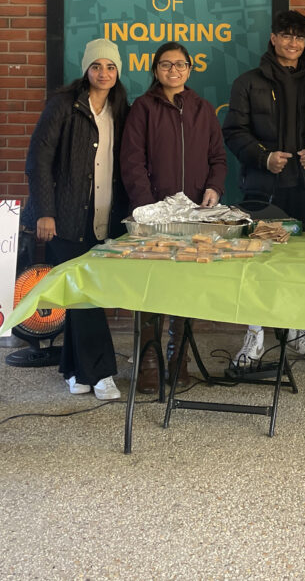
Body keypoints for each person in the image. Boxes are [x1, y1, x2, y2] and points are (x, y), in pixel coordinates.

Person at [23, 39, 128, 400]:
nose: (104, 73)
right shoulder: (64, 106)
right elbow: (38, 161)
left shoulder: (119, 108)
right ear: (86, 70)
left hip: (103, 218)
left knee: (85, 293)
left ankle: (73, 368)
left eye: (111, 67)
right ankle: (101, 373)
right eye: (97, 66)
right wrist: (45, 212)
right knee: (85, 295)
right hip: (64, 218)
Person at [222, 10, 305, 364]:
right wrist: (264, 157)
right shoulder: (248, 82)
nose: (293, 43)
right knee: (256, 264)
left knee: (303, 264)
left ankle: (298, 331)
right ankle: (254, 335)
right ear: (273, 37)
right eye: (286, 35)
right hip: (262, 189)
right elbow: (234, 132)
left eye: (299, 37)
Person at [122, 42, 228, 391]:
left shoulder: (203, 109)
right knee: (152, 286)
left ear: (189, 69)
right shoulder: (142, 108)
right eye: (166, 65)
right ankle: (150, 362)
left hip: (193, 218)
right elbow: (132, 161)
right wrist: (148, 209)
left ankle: (177, 357)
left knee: (184, 286)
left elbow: (218, 159)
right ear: (155, 70)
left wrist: (213, 187)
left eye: (180, 65)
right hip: (153, 217)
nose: (173, 71)